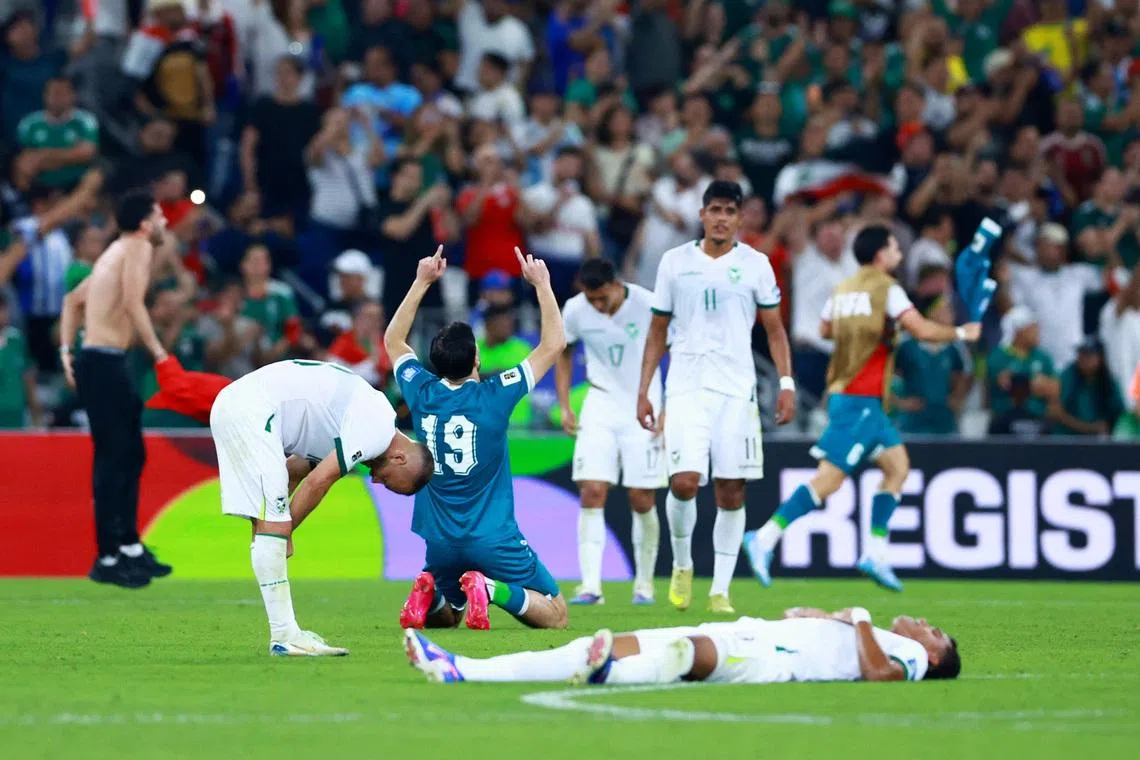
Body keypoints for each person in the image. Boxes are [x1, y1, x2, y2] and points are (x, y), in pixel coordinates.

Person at [743, 226, 982, 593]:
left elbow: (825, 330)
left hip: (859, 399)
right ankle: (765, 536)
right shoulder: (887, 289)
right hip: (859, 398)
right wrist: (964, 333)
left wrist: (867, 333)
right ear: (880, 254)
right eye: (893, 248)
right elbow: (922, 331)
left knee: (897, 466)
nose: (899, 254)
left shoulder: (842, 289)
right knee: (829, 481)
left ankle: (874, 552)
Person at [636, 180, 796, 615]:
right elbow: (656, 332)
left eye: (730, 210)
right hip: (685, 389)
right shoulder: (674, 263)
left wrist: (786, 384)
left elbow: (775, 331)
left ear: (739, 218)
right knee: (684, 482)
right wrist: (645, 390)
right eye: (715, 210)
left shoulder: (757, 265)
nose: (722, 218)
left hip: (736, 392)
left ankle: (720, 589)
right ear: (702, 214)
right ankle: (683, 564)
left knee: (731, 490)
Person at [390, 246, 569, 631]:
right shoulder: (496, 395)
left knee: (449, 614)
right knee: (557, 614)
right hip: (493, 537)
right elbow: (554, 344)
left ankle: (432, 592)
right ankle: (490, 589)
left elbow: (394, 341)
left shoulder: (421, 392)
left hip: (439, 538)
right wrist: (542, 284)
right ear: (477, 360)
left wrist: (422, 281)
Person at [208, 357, 434, 656]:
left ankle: (287, 634)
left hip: (243, 407)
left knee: (273, 526)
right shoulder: (376, 429)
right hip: (252, 412)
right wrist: (284, 532)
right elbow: (319, 482)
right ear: (400, 459)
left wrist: (271, 531)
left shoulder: (358, 420)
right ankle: (285, 636)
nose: (378, 482)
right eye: (389, 481)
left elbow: (297, 470)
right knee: (276, 526)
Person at [57, 189, 176, 589]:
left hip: (103, 362)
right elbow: (132, 303)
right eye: (159, 215)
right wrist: (159, 352)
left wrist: (64, 352)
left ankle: (127, 545)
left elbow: (73, 301)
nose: (164, 222)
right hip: (105, 362)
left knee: (128, 454)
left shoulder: (115, 252)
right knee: (114, 458)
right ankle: (108, 555)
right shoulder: (136, 248)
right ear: (144, 223)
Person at [405, 605, 960, 685]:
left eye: (935, 633)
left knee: (692, 653)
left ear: (931, 655)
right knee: (594, 644)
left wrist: (858, 620)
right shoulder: (886, 636)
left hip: (771, 658)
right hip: (761, 632)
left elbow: (879, 675)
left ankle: (612, 676)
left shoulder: (906, 655)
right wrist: (823, 617)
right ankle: (464, 670)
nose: (926, 625)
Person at [556, 258, 663, 606]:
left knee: (641, 497)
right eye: (592, 299)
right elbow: (564, 352)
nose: (598, 306)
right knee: (591, 491)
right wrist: (565, 405)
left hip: (644, 403)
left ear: (616, 284)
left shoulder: (649, 304)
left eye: (603, 298)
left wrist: (669, 408)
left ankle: (644, 585)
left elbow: (676, 354)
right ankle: (590, 586)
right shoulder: (575, 309)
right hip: (600, 403)